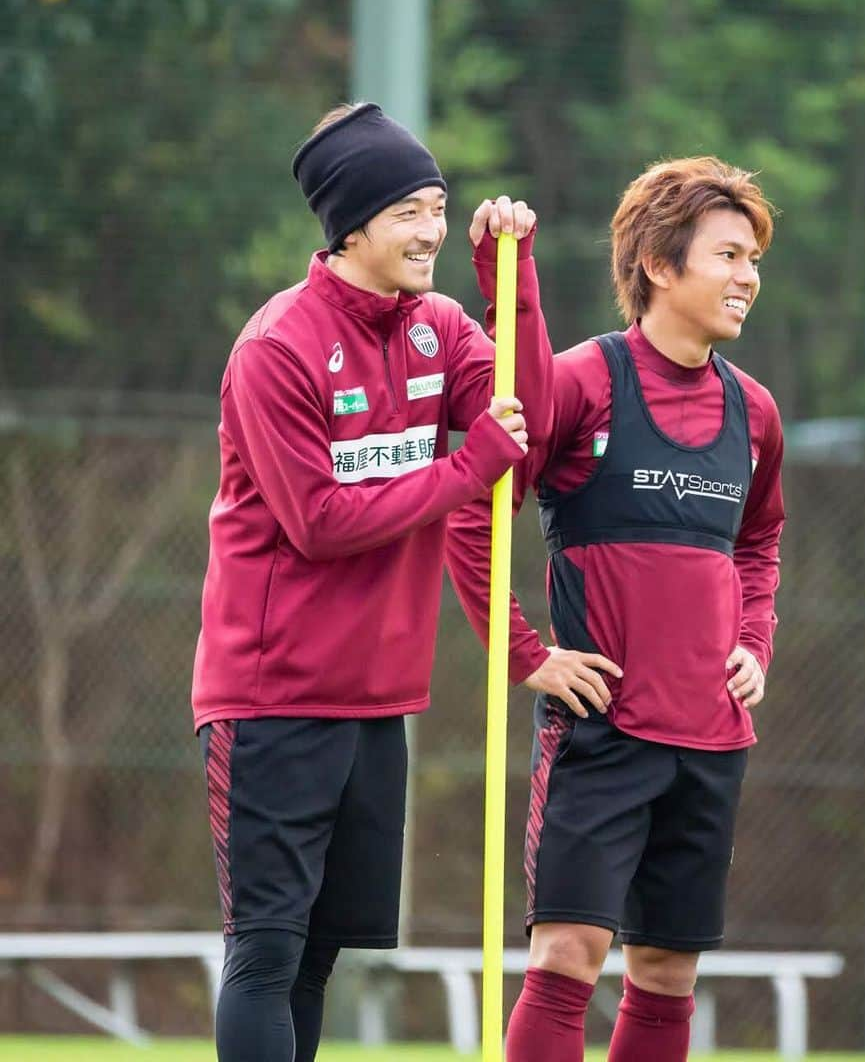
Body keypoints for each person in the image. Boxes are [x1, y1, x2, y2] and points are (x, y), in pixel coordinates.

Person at [190, 102, 553, 1062]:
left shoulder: (438, 328)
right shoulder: (277, 348)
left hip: (376, 700)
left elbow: (529, 421)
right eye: (409, 211)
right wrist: (466, 469)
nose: (433, 226)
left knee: (318, 958)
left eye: (439, 206)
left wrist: (508, 288)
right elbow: (317, 523)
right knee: (266, 953)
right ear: (351, 226)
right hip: (272, 696)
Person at [447, 156, 784, 1061]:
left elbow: (758, 547)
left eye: (753, 256)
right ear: (660, 267)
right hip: (602, 733)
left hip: (711, 741)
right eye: (727, 255)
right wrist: (527, 656)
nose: (748, 275)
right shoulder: (584, 382)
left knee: (669, 972)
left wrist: (755, 638)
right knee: (568, 955)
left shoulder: (755, 414)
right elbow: (473, 520)